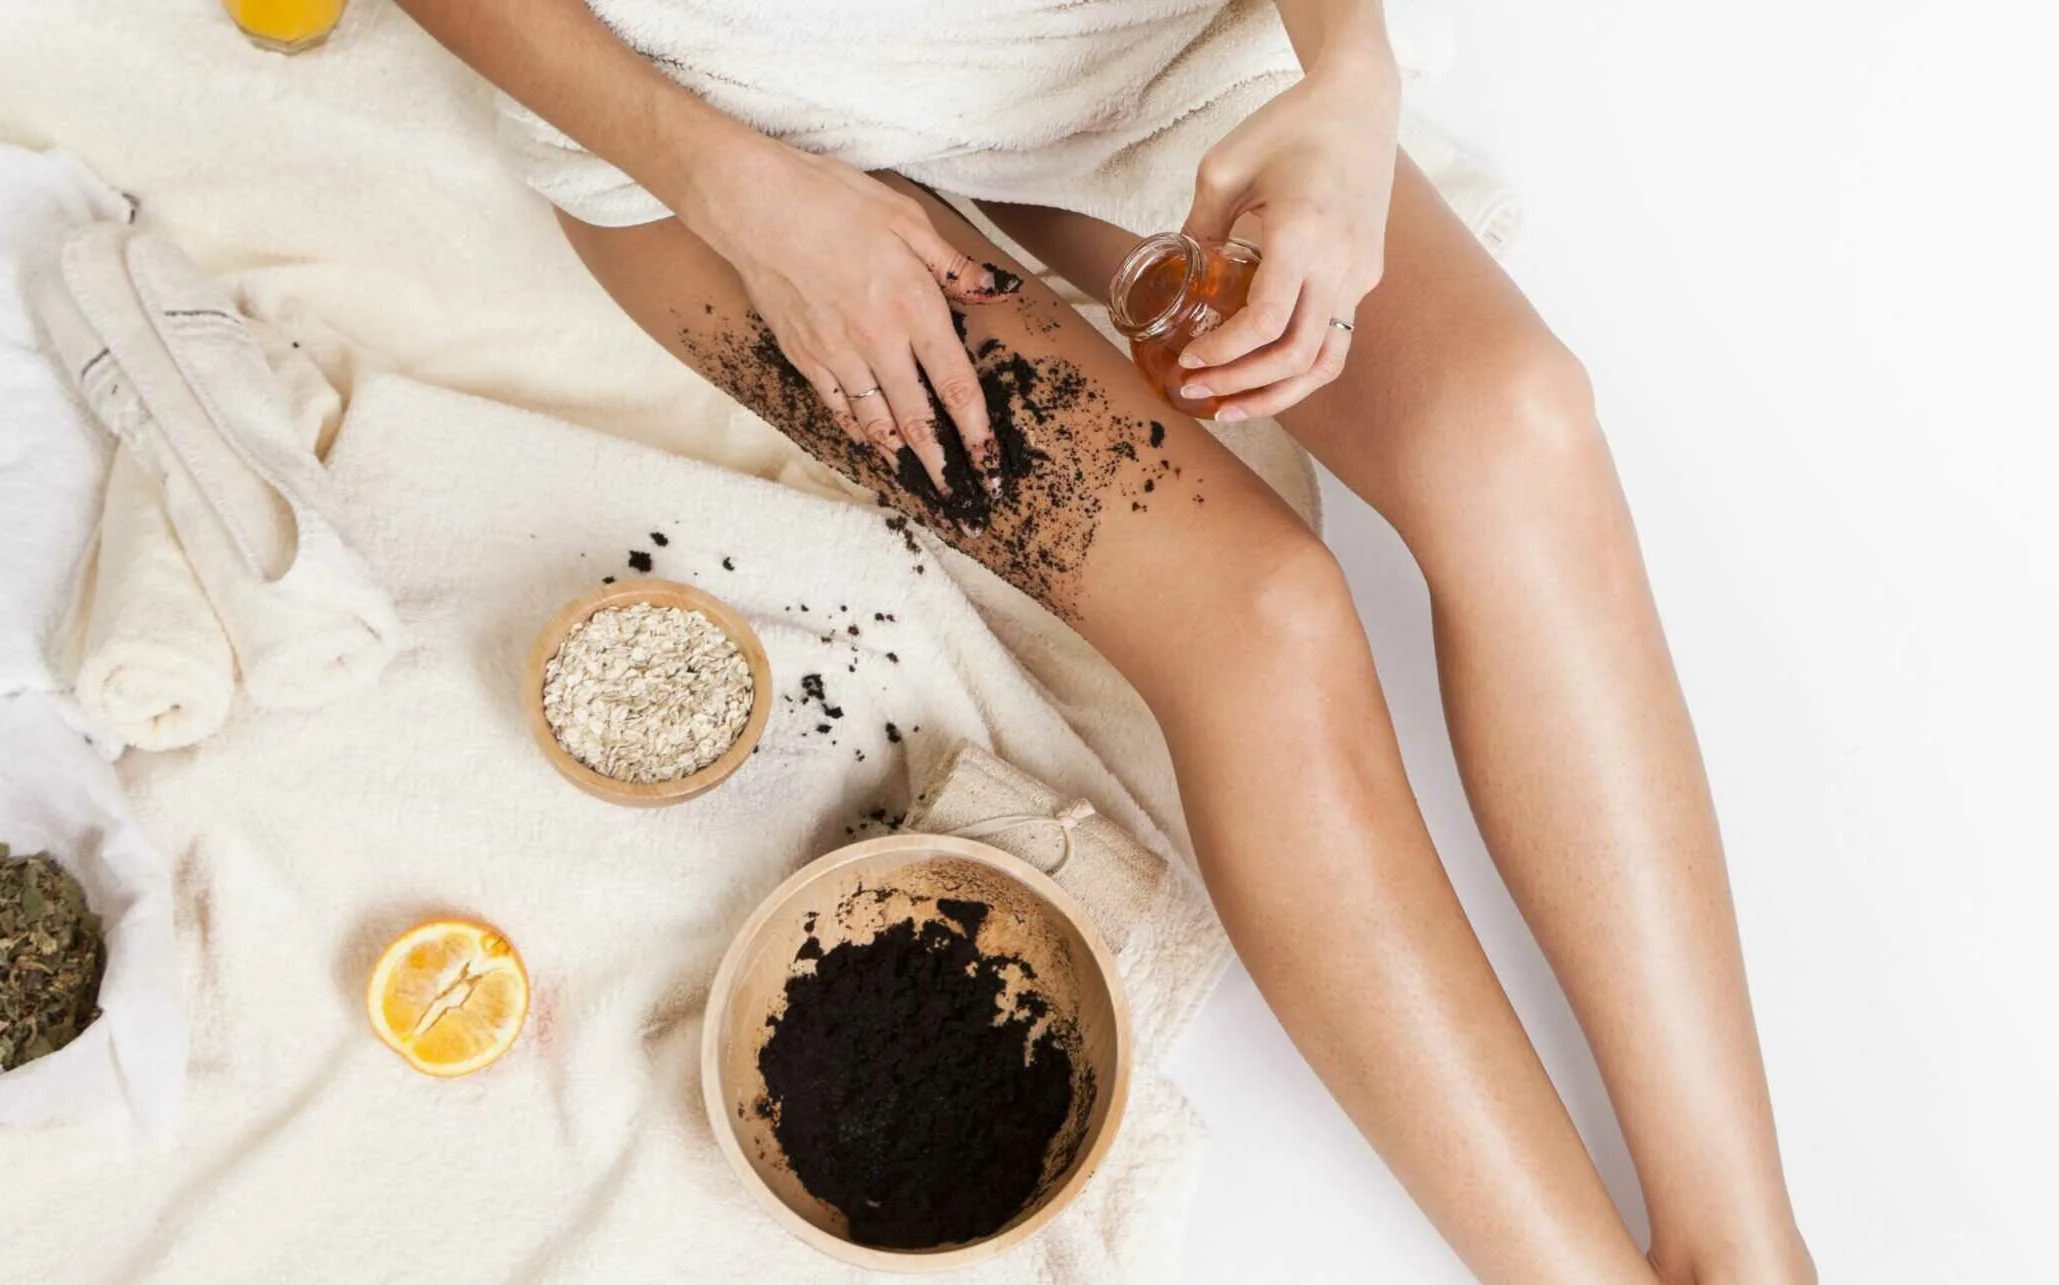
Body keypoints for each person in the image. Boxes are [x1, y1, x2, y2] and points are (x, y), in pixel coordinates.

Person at [394, 1, 1814, 1279]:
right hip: (706, 114)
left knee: (1512, 431)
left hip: (1108, 42)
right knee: (1263, 625)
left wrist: (1351, 77)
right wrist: (732, 186)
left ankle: (1752, 1251)